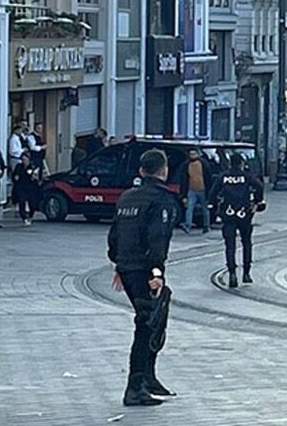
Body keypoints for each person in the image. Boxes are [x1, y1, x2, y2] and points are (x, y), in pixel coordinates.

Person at [107, 149, 179, 406]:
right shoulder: (161, 200)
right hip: (145, 270)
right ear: (164, 170)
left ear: (141, 171)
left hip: (127, 268)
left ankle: (148, 377)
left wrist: (117, 263)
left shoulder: (127, 197)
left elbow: (115, 234)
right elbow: (158, 238)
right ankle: (135, 386)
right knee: (148, 322)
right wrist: (157, 273)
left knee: (153, 318)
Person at [208, 154, 266, 287]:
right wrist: (257, 201)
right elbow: (259, 186)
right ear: (241, 163)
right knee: (246, 242)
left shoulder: (223, 176)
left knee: (230, 244)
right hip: (244, 213)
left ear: (230, 163)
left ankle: (232, 273)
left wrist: (214, 205)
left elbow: (213, 193)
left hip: (228, 213)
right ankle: (246, 273)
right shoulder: (246, 176)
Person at [176, 149, 212, 235]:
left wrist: (209, 191)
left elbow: (208, 177)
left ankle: (206, 226)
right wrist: (183, 193)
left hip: (202, 189)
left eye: (194, 154)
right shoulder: (186, 165)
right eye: (191, 154)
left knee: (205, 209)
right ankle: (188, 225)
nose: (192, 155)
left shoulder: (203, 164)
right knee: (189, 208)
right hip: (191, 190)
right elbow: (183, 178)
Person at [11, 154, 43, 226]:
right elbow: (14, 175)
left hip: (30, 187)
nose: (24, 161)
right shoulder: (19, 167)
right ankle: (24, 218)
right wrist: (15, 177)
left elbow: (38, 178)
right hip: (21, 187)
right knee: (21, 202)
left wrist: (35, 178)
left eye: (25, 160)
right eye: (23, 160)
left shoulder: (33, 167)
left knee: (32, 203)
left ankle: (30, 216)